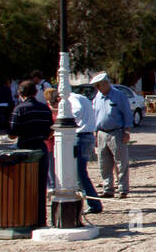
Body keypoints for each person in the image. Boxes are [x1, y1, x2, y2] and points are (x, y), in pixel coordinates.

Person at [8, 80, 54, 227]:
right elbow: (49, 132)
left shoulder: (19, 109)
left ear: (20, 94)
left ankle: (24, 218)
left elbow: (12, 133)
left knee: (24, 185)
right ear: (35, 92)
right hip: (41, 148)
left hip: (24, 149)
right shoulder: (44, 109)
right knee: (41, 186)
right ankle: (40, 220)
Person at [92, 72, 133, 198]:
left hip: (117, 132)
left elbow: (127, 113)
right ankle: (108, 189)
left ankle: (123, 189)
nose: (97, 88)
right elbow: (95, 115)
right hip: (101, 133)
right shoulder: (97, 97)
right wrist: (95, 133)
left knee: (121, 162)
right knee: (104, 163)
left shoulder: (118, 96)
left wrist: (127, 131)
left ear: (105, 83)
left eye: (99, 85)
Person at [64, 86, 101, 214]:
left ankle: (94, 203)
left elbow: (77, 110)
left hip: (81, 135)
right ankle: (92, 201)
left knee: (80, 173)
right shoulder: (82, 98)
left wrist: (66, 119)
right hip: (88, 135)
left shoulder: (72, 99)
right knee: (81, 172)